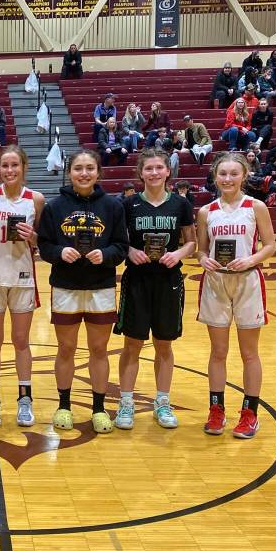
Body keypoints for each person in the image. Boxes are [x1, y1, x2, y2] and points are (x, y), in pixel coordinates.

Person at [37, 149, 128, 433]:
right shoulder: (54, 207)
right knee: (66, 348)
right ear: (70, 172)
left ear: (98, 172)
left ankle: (99, 408)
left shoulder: (113, 206)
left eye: (90, 168)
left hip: (100, 287)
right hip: (66, 286)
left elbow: (121, 247)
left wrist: (107, 254)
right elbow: (45, 245)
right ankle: (64, 405)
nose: (84, 173)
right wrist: (60, 251)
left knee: (99, 349)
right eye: (78, 168)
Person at [195, 151, 276, 439]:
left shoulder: (256, 207)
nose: (227, 179)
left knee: (248, 353)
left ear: (244, 175)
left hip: (248, 282)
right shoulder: (207, 211)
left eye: (233, 173)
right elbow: (201, 249)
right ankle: (216, 410)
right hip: (216, 283)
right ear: (215, 176)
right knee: (218, 352)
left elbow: (270, 245)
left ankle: (249, 413)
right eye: (222, 174)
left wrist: (252, 260)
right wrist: (203, 259)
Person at [113, 149, 196, 431]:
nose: (154, 173)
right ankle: (126, 402)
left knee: (164, 344)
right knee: (132, 344)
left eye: (159, 167)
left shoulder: (181, 204)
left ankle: (162, 401)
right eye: (148, 168)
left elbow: (191, 242)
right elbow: (118, 241)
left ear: (168, 171)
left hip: (169, 280)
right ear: (140, 173)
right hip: (136, 280)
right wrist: (131, 250)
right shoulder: (128, 204)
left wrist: (180, 254)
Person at [0, 146, 45, 427]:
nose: (10, 170)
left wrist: (34, 237)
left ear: (24, 167)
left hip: (22, 278)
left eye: (15, 165)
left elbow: (41, 241)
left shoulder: (36, 199)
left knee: (21, 341)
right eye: (5, 165)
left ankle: (24, 399)